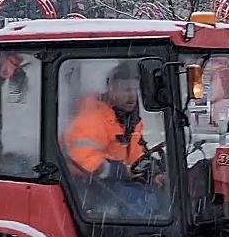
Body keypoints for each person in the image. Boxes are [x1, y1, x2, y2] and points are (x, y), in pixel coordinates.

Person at [63, 61, 164, 218]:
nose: (132, 96)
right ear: (111, 89)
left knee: (162, 196)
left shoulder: (128, 121)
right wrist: (119, 170)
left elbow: (135, 155)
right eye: (126, 90)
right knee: (140, 203)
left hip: (113, 183)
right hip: (89, 187)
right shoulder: (92, 118)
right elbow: (82, 158)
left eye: (135, 90)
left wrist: (151, 171)